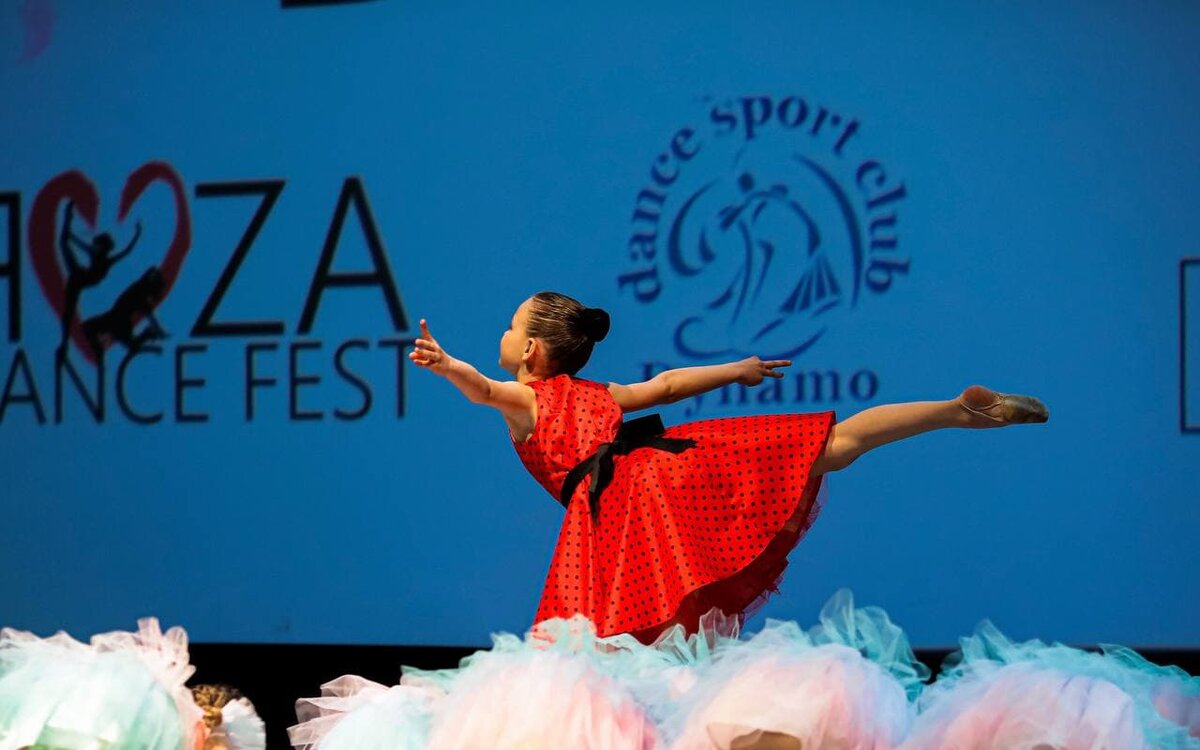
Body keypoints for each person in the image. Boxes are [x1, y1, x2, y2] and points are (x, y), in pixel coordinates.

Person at [409, 291, 1048, 641]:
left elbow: (482, 390)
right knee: (834, 444)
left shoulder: (525, 398)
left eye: (509, 326)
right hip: (670, 467)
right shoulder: (601, 394)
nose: (502, 334)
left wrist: (447, 365)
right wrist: (736, 369)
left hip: (622, 510)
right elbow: (666, 385)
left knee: (606, 645)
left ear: (528, 349)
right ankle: (956, 412)